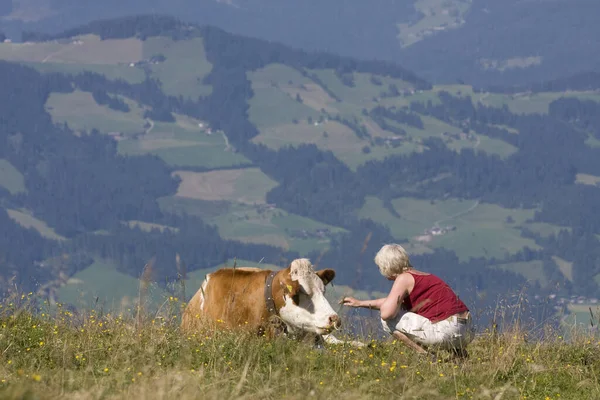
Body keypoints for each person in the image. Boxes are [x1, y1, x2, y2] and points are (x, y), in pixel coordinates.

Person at [341, 244, 474, 358]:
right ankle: (459, 355)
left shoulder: (404, 278)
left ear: (386, 266)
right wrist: (359, 303)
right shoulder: (425, 276)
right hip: (467, 331)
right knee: (423, 315)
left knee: (387, 320)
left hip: (447, 331)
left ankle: (426, 356)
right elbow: (391, 302)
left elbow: (387, 312)